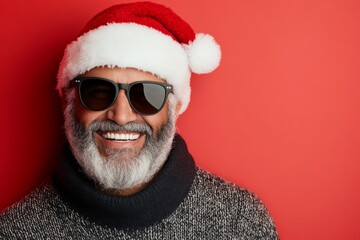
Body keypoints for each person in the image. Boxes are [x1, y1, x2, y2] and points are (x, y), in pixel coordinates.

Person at [0, 2, 278, 239]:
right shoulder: (15, 232)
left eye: (146, 95)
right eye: (98, 92)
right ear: (67, 101)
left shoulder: (240, 224)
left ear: (175, 106)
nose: (121, 116)